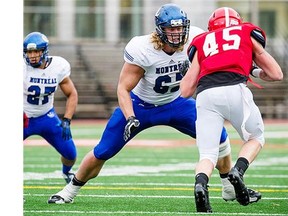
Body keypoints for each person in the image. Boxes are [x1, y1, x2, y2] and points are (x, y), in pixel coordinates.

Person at [47, 4, 260, 205]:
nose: (177, 33)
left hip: (177, 102)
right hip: (141, 105)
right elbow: (123, 88)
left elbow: (220, 60)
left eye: (180, 28)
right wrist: (130, 116)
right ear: (160, 30)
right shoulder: (143, 49)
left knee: (220, 138)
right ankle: (69, 191)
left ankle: (227, 187)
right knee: (103, 151)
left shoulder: (196, 37)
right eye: (171, 28)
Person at [180, 7, 283, 213]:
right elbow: (276, 74)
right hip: (235, 89)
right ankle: (237, 171)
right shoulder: (245, 32)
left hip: (206, 95)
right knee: (255, 137)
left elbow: (185, 91)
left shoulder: (202, 41)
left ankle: (201, 184)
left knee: (207, 154)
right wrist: (254, 68)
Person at [23, 32, 78, 184]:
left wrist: (67, 120)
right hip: (23, 118)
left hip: (45, 116)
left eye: (36, 51)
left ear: (45, 51)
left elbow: (72, 94)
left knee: (70, 154)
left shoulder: (58, 66)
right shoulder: (21, 67)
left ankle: (66, 173)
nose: (32, 55)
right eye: (29, 52)